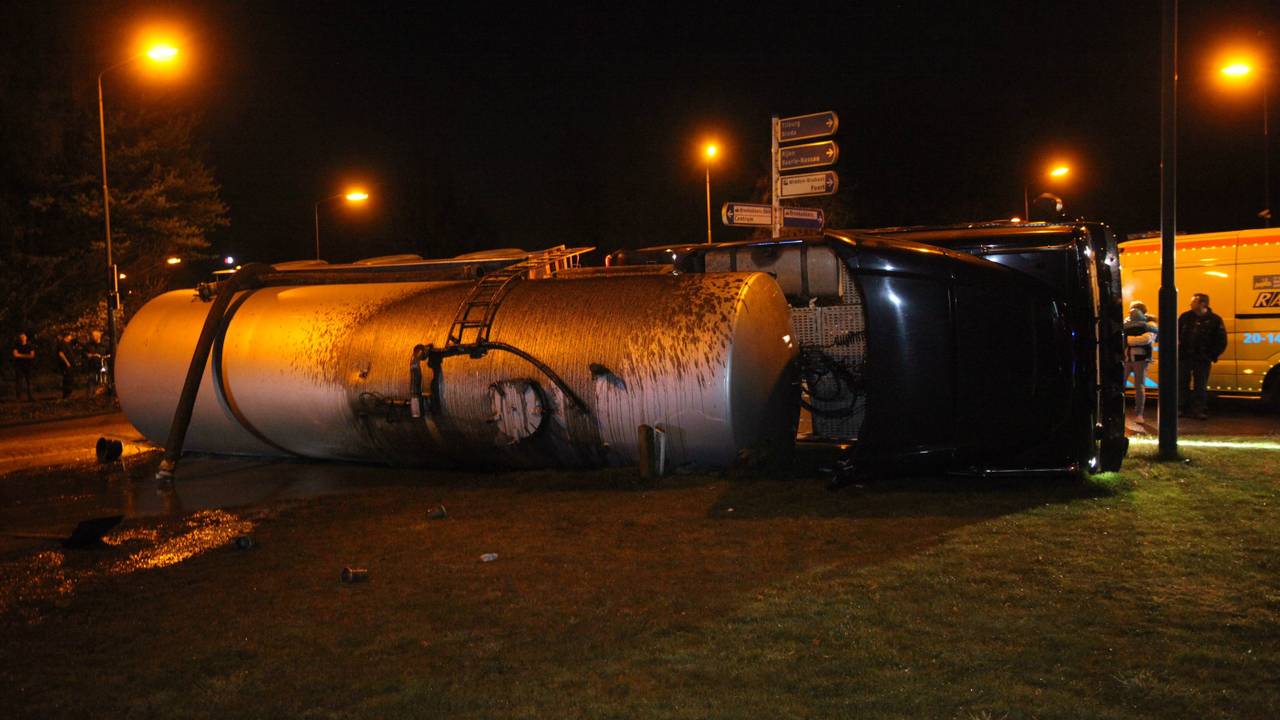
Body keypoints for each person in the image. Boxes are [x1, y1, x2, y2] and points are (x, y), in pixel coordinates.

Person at [1177, 293, 1228, 420]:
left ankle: (1199, 410)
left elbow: (1221, 340)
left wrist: (1211, 355)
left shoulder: (1214, 320)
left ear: (1202, 303)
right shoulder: (1185, 317)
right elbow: (1176, 334)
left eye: (1194, 301)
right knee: (1182, 383)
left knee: (1200, 385)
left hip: (1202, 359)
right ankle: (1181, 408)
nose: (1191, 304)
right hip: (1185, 357)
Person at [1123, 301, 1157, 423]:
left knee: (1139, 387)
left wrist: (1127, 340)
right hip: (1126, 358)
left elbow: (1146, 339)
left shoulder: (1150, 324)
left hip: (1140, 359)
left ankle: (1139, 414)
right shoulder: (1127, 322)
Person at [84, 330, 109, 398]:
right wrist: (90, 355)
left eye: (93, 336)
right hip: (92, 365)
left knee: (103, 380)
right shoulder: (89, 345)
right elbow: (85, 353)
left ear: (98, 336)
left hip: (102, 365)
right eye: (92, 336)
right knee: (91, 380)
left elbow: (110, 354)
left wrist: (104, 357)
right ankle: (90, 396)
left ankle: (101, 395)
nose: (92, 337)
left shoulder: (105, 345)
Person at [11, 332, 36, 401]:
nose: (22, 338)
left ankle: (30, 397)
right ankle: (18, 397)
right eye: (21, 337)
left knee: (29, 381)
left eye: (23, 337)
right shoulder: (16, 346)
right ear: (19, 338)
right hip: (19, 366)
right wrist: (26, 356)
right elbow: (15, 354)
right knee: (19, 382)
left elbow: (32, 355)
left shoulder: (30, 345)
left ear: (26, 338)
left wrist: (20, 355)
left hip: (28, 366)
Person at [56, 331, 77, 399]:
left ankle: (69, 393)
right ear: (67, 336)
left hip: (70, 364)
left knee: (70, 379)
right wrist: (67, 362)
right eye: (70, 336)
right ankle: (66, 394)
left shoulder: (68, 344)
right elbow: (61, 354)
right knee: (67, 379)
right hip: (66, 365)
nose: (71, 337)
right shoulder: (62, 344)